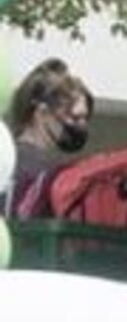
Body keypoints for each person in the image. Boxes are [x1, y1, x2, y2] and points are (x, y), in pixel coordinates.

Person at [2, 58, 94, 217]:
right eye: (74, 118)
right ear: (42, 113)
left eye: (85, 118)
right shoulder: (50, 174)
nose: (82, 126)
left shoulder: (7, 157)